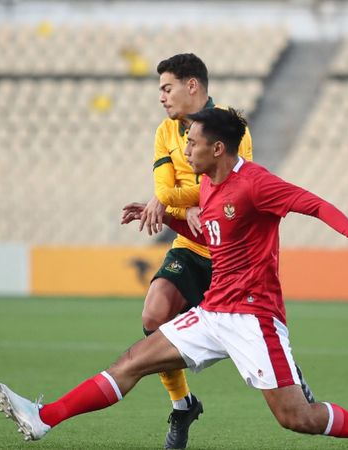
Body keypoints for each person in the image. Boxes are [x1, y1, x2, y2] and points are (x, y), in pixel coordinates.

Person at [0, 108, 348, 450]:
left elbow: (312, 203)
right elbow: (210, 235)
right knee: (130, 362)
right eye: (185, 141)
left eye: (193, 143)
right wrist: (169, 220)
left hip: (255, 317)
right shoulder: (206, 186)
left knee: (298, 419)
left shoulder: (256, 184)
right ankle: (44, 418)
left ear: (218, 148)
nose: (186, 149)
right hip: (214, 311)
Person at [137, 53, 314, 449]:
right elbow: (165, 190)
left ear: (192, 86)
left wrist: (178, 201)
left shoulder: (232, 128)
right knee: (153, 313)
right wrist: (180, 205)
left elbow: (233, 186)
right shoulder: (164, 131)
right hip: (189, 242)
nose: (162, 97)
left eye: (167, 88)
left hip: (228, 250)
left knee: (243, 334)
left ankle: (288, 372)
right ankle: (183, 405)